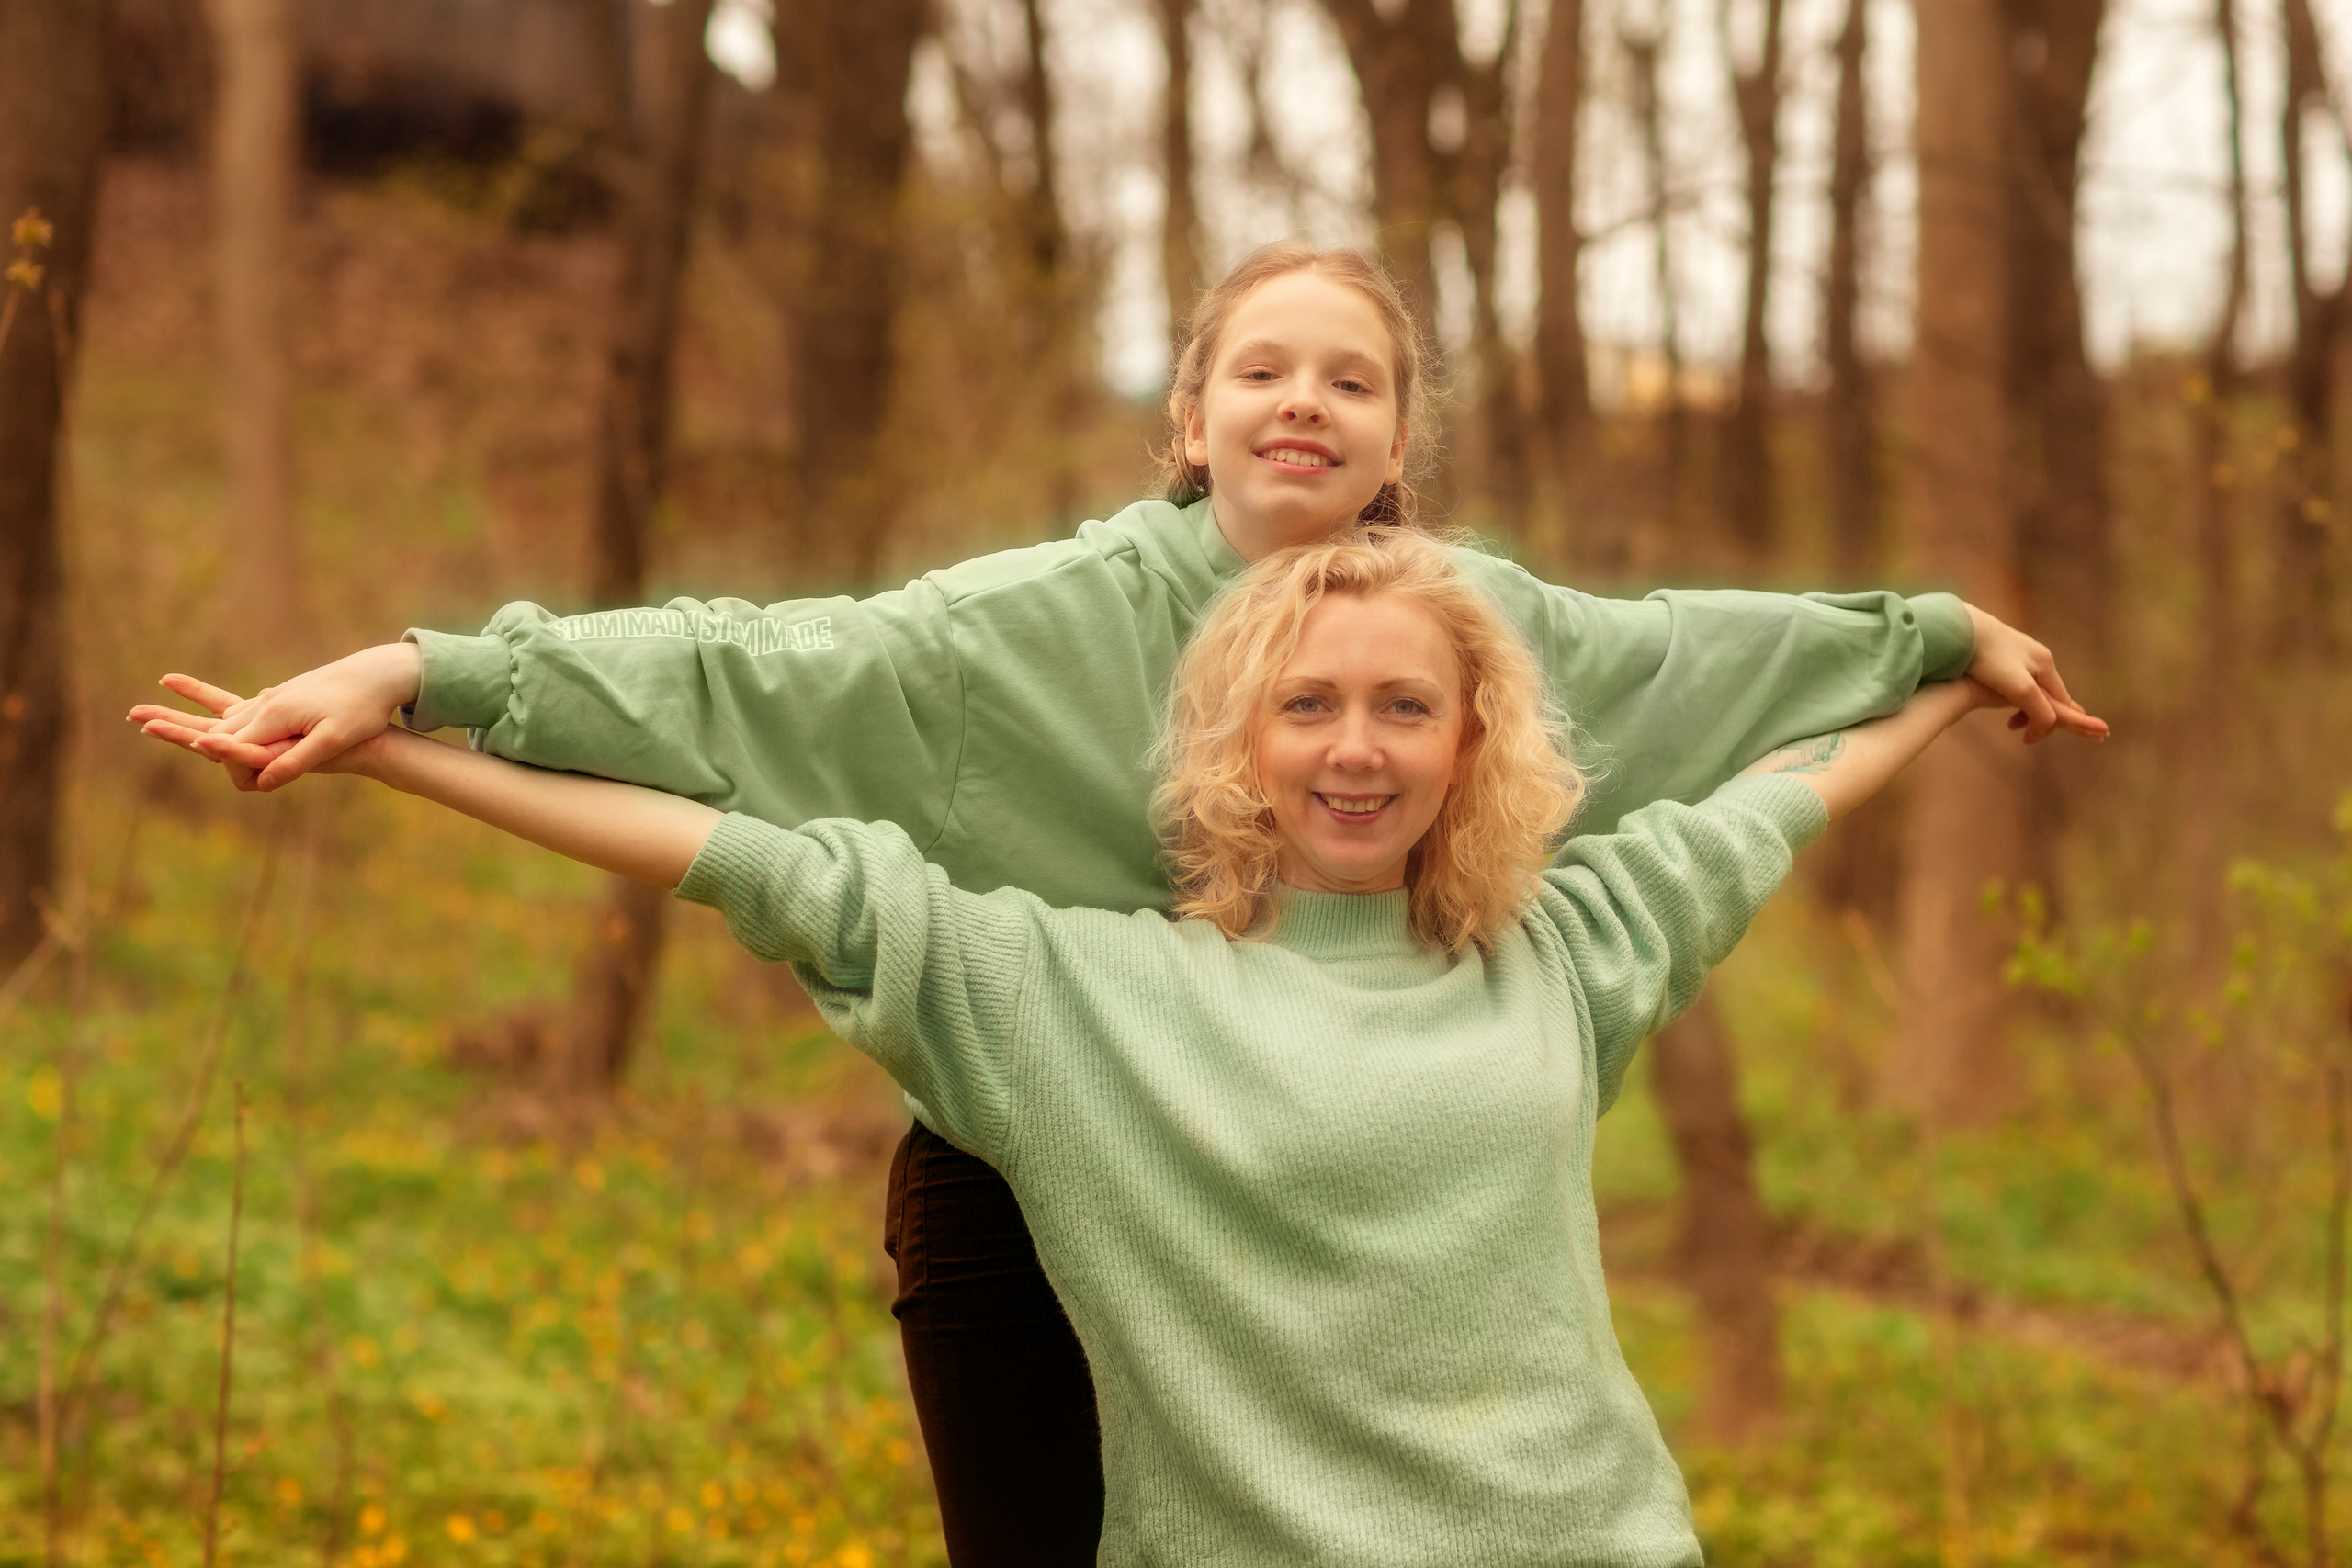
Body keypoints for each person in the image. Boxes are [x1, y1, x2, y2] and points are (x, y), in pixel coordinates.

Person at [130, 243, 2105, 1563]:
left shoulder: (1476, 641)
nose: (1303, 404)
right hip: (1051, 1125)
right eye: (1262, 368)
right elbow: (740, 689)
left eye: (1352, 379)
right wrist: (424, 680)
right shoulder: (1020, 634)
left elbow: (1711, 687)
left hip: (1374, 1145)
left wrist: (1933, 638)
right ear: (1190, 415)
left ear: (1398, 442)